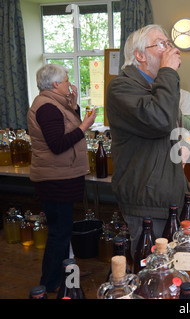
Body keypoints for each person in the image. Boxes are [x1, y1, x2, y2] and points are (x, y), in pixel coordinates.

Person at [106, 25, 189, 256]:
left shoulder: (156, 86)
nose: (169, 49)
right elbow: (159, 120)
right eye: (161, 44)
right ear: (140, 55)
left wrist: (181, 145)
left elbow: (171, 127)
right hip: (146, 200)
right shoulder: (121, 87)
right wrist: (169, 73)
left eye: (168, 43)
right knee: (149, 274)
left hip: (168, 196)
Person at [27, 64, 97, 292]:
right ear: (56, 84)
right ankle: (50, 283)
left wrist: (74, 106)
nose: (70, 84)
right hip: (55, 180)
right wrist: (85, 125)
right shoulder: (47, 108)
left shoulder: (56, 103)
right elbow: (58, 145)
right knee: (59, 232)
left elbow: (67, 128)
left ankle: (68, 271)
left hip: (61, 176)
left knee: (63, 230)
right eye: (66, 81)